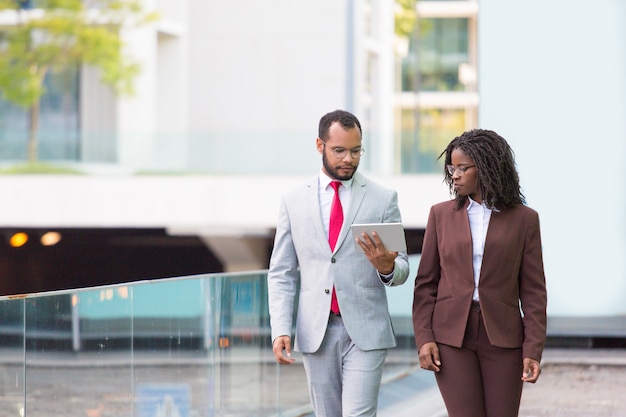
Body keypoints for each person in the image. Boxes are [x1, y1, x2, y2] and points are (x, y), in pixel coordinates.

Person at [268, 109, 410, 417]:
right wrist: (280, 327)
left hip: (366, 330)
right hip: (316, 331)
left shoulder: (382, 198)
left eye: (356, 150)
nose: (349, 159)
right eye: (340, 150)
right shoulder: (293, 200)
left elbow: (401, 270)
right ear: (320, 146)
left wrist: (386, 266)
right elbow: (281, 273)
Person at [412, 129, 547, 417]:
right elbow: (425, 284)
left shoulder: (525, 220)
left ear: (486, 167)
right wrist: (424, 338)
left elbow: (534, 291)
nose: (455, 175)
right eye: (452, 168)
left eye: (462, 168)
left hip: (504, 337)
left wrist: (532, 348)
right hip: (451, 337)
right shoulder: (440, 215)